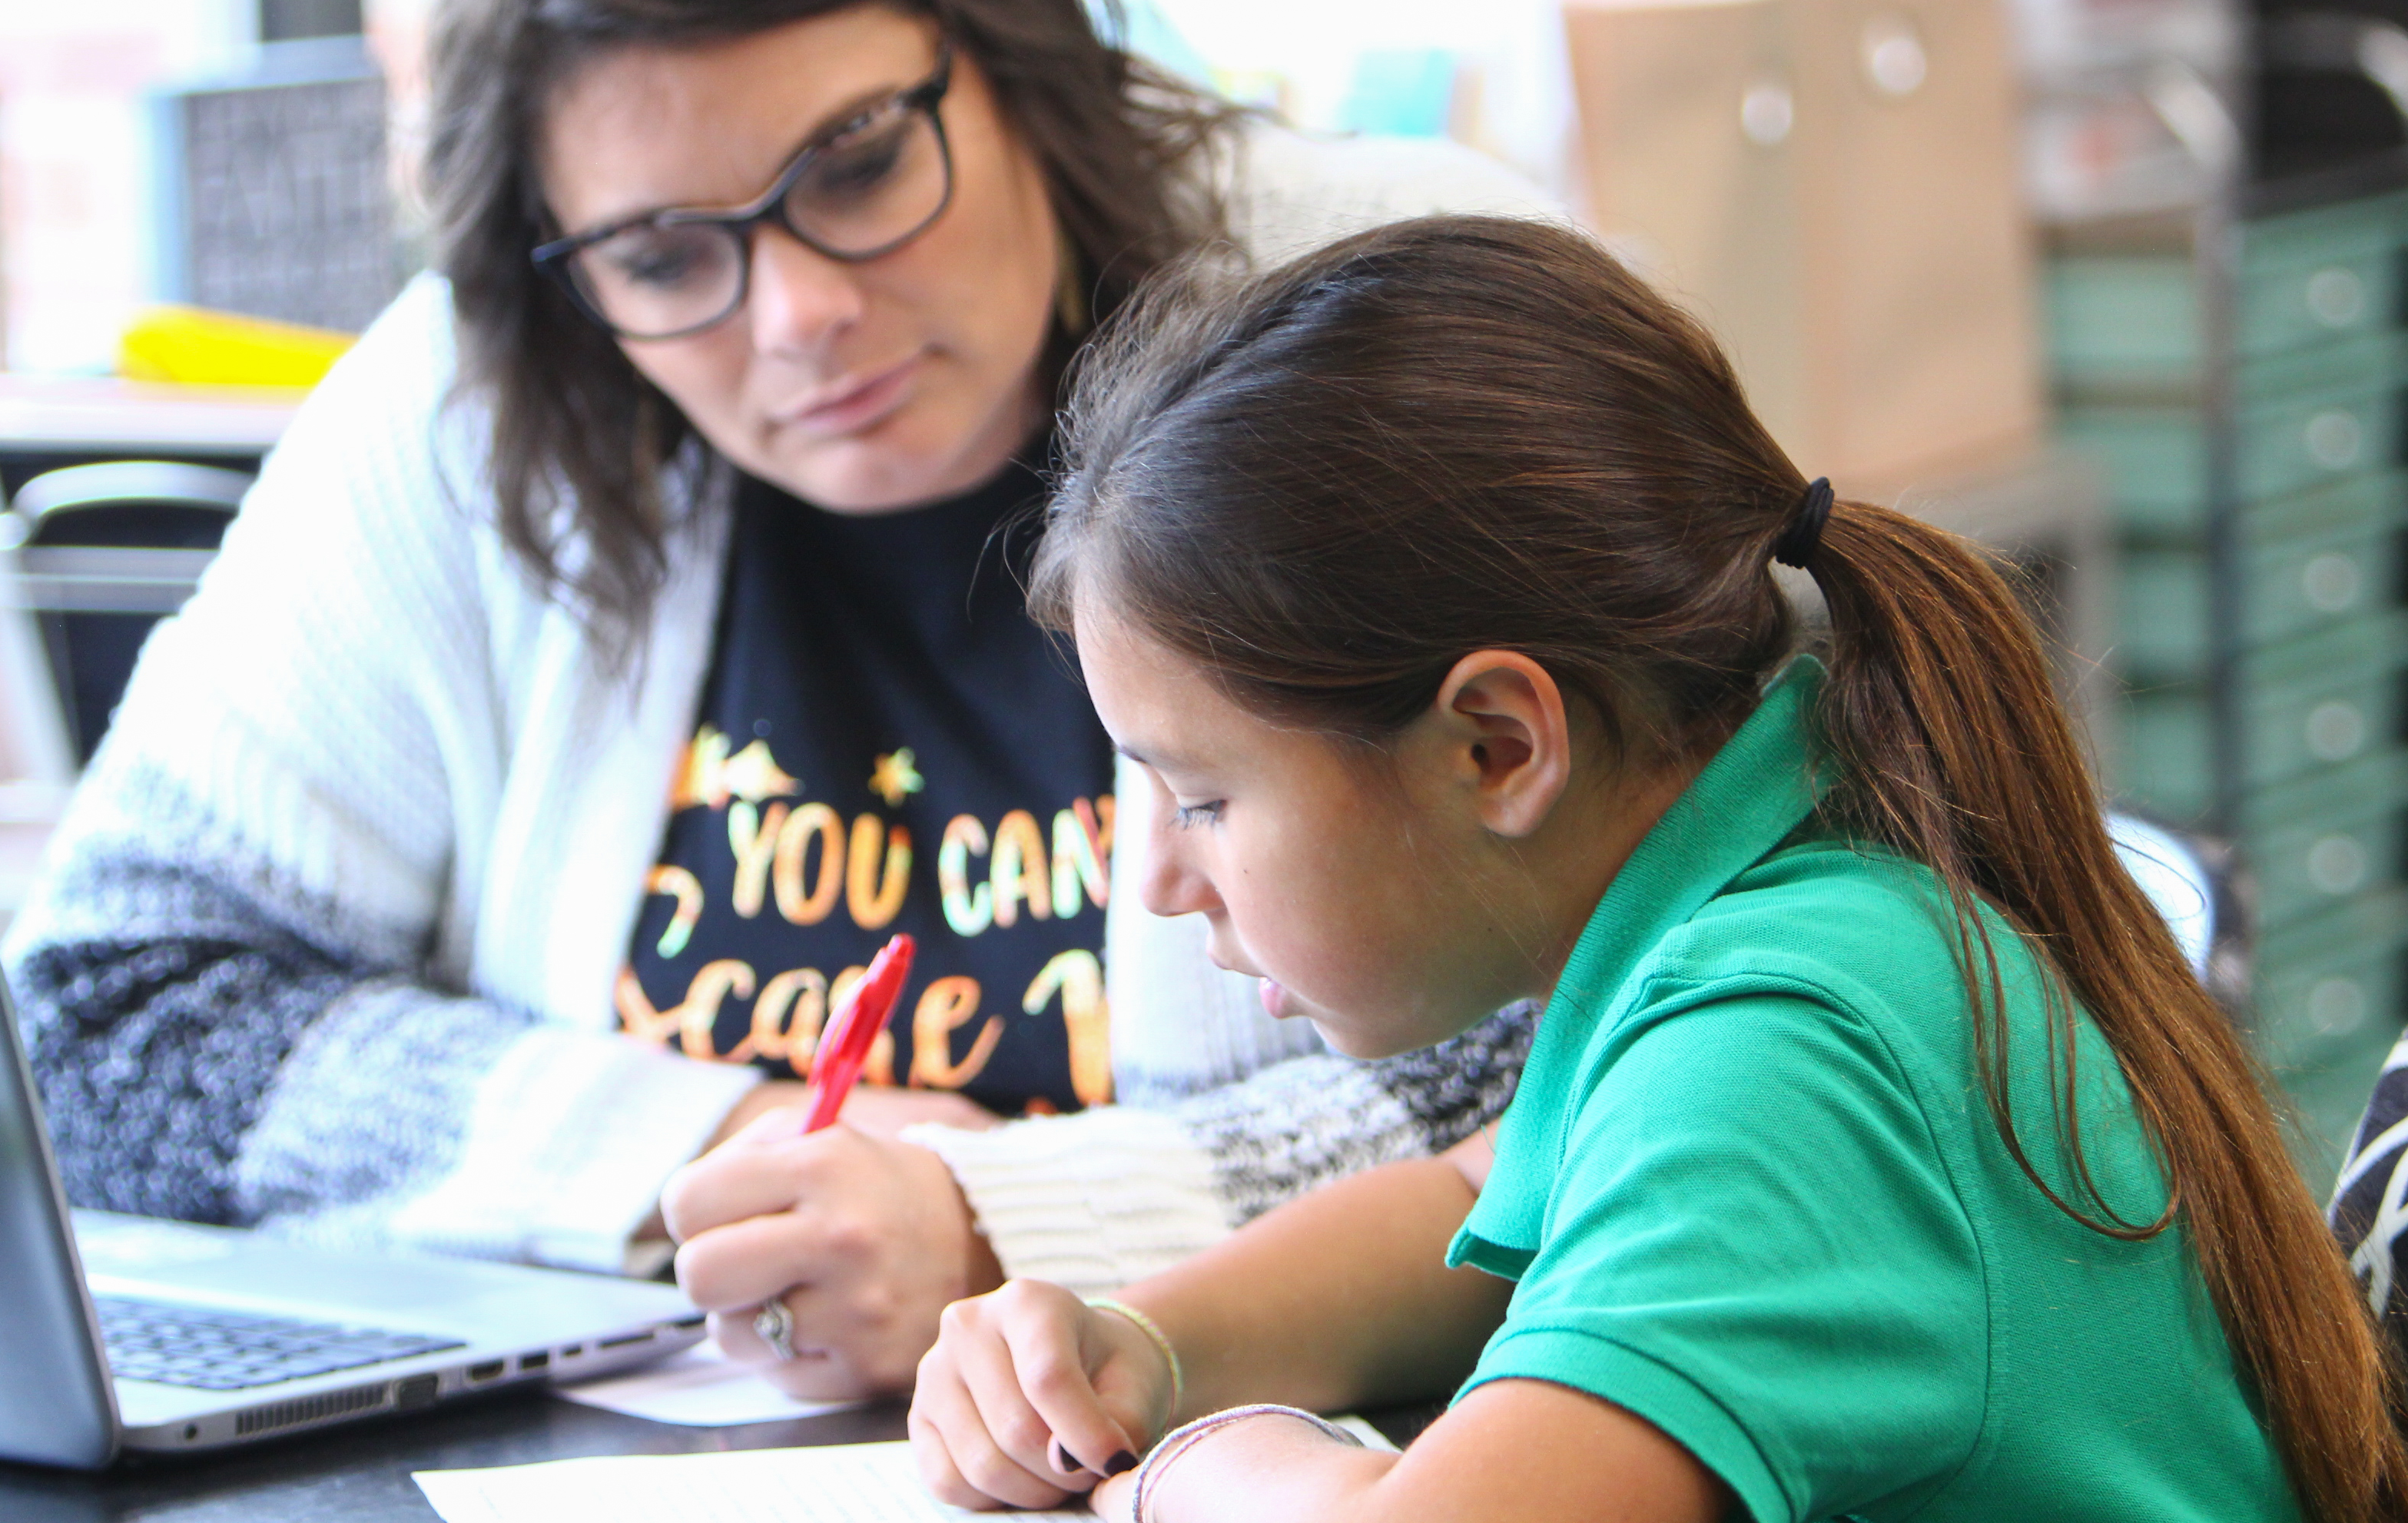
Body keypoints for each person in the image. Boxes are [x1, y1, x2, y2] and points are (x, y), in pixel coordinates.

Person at [2, 0, 1555, 1399]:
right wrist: (716, 1156)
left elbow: (1658, 1033)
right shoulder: (475, 405)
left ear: (1016, 57)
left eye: (860, 166)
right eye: (666, 256)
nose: (798, 312)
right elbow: (111, 1021)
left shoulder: (1380, 313)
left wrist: (993, 1227)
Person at [909, 214, 2405, 1522]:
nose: (1163, 881)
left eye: (1206, 797)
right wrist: (1141, 1346)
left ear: (1499, 746)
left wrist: (1191, 1463)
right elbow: (1478, 1215)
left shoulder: (1788, 1044)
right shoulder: (1768, 893)